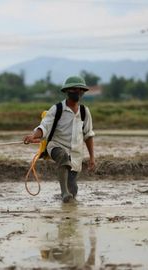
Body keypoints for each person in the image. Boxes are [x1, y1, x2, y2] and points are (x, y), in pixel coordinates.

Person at [24, 75, 95, 203]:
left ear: (83, 92)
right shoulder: (57, 109)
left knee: (73, 191)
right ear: (67, 92)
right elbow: (44, 127)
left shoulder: (84, 112)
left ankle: (67, 202)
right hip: (56, 147)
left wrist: (92, 158)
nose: (77, 92)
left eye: (80, 90)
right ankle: (63, 193)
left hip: (76, 156)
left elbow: (88, 135)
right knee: (63, 156)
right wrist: (33, 136)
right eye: (74, 90)